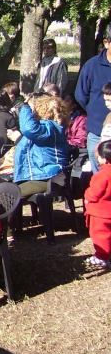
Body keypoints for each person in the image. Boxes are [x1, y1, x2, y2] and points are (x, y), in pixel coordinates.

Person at [14, 95, 69, 199]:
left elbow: (29, 128)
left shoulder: (50, 127)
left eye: (33, 110)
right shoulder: (50, 127)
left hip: (47, 178)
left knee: (8, 194)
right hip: (41, 176)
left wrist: (25, 107)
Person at [75, 27, 111, 172]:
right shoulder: (92, 65)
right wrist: (95, 112)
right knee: (99, 175)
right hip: (97, 131)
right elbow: (80, 95)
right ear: (107, 43)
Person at [83, 140, 111, 270]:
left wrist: (87, 196)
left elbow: (94, 192)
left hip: (100, 213)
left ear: (104, 159)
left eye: (98, 156)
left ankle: (102, 257)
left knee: (100, 236)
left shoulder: (102, 174)